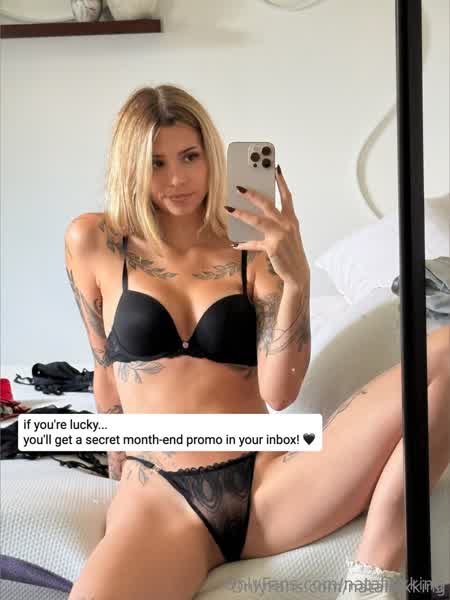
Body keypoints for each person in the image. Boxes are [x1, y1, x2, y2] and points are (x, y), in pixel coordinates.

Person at [64, 84, 449, 600]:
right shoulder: (94, 240)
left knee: (447, 349)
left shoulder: (252, 247)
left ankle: (371, 580)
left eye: (190, 156)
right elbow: (103, 365)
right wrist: (116, 449)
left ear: (211, 156)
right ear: (129, 166)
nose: (177, 178)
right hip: (161, 495)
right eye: (156, 163)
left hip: (269, 485)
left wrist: (296, 279)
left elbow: (279, 392)